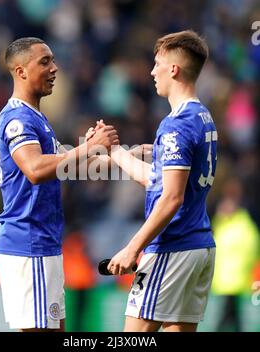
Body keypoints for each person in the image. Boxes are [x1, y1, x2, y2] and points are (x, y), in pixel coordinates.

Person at [0, 37, 119, 332]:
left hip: (43, 241)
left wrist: (134, 156)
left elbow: (67, 165)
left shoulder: (37, 118)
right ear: (21, 71)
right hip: (27, 241)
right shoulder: (18, 119)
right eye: (45, 61)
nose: (55, 68)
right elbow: (36, 169)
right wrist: (89, 149)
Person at [103, 30, 218, 332]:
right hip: (199, 247)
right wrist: (116, 153)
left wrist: (132, 248)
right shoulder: (203, 117)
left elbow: (171, 197)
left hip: (171, 246)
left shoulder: (176, 125)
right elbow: (158, 182)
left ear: (174, 69)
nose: (152, 71)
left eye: (157, 64)